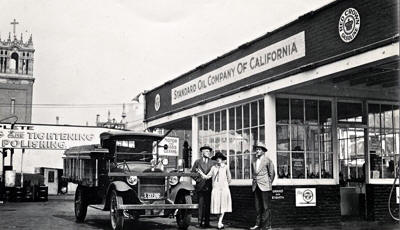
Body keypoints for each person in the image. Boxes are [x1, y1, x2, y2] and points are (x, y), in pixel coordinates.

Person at [197, 151, 232, 229]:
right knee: (216, 206)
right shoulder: (213, 168)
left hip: (224, 189)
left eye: (220, 158)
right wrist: (201, 173)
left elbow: (229, 178)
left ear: (222, 159)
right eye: (217, 158)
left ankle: (220, 222)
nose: (218, 160)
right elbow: (207, 177)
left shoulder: (226, 167)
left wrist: (225, 185)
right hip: (215, 189)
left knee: (223, 206)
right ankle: (219, 221)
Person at [250, 142, 275, 230]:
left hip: (265, 186)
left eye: (259, 149)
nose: (257, 151)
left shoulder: (267, 160)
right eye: (256, 149)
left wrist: (268, 183)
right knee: (258, 207)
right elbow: (253, 173)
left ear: (263, 151)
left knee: (265, 207)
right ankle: (257, 224)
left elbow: (272, 173)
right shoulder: (254, 161)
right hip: (256, 186)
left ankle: (266, 226)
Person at [191, 145, 216, 228]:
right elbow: (192, 173)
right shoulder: (197, 162)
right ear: (202, 153)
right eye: (206, 151)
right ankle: (199, 222)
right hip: (200, 186)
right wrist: (197, 180)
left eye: (209, 151)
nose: (208, 153)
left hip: (209, 186)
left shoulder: (213, 162)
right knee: (201, 205)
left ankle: (207, 222)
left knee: (208, 205)